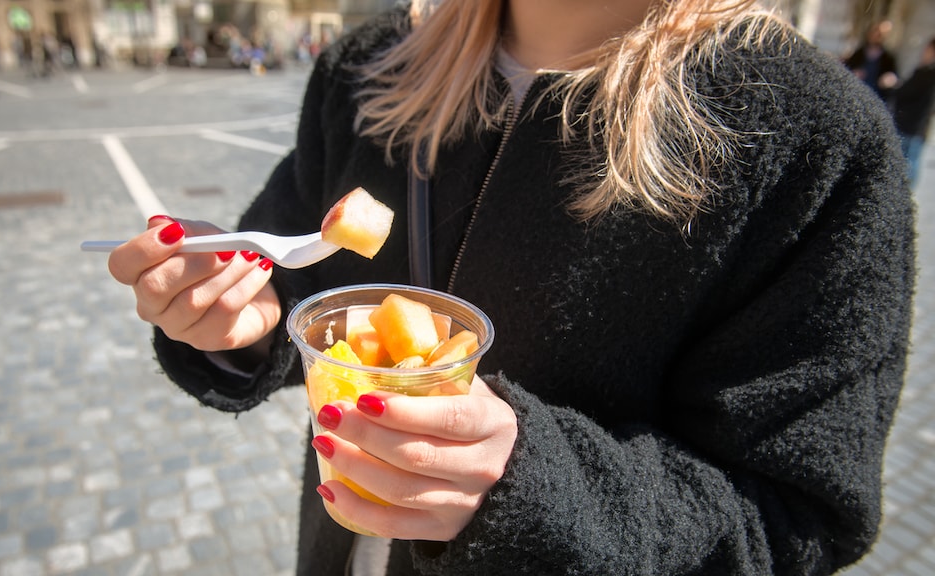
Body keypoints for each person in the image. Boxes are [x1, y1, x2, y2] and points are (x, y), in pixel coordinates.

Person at [105, 1, 916, 574]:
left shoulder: (813, 139)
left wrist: (536, 490)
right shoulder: (364, 70)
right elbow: (296, 294)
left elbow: (795, 520)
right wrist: (235, 318)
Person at [891, 37, 935, 187]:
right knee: (912, 161)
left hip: (910, 125)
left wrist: (894, 85)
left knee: (907, 162)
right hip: (918, 127)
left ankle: (903, 194)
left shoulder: (926, 73)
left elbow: (905, 93)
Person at [844, 20, 899, 102]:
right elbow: (847, 69)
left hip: (876, 96)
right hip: (857, 94)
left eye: (879, 35)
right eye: (874, 32)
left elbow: (893, 76)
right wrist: (854, 73)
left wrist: (889, 79)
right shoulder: (859, 53)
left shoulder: (888, 58)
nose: (876, 36)